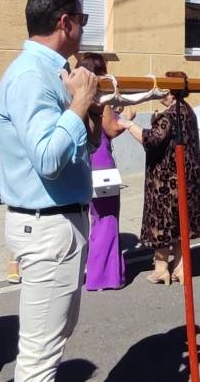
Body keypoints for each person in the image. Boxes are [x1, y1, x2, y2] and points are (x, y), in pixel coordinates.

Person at [0, 0, 98, 382]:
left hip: (58, 221)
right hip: (47, 225)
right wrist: (79, 103)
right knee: (40, 357)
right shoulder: (31, 75)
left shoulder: (53, 70)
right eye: (82, 20)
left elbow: (74, 145)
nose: (83, 29)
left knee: (54, 339)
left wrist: (86, 111)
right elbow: (49, 159)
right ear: (65, 22)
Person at [119, 72, 200, 285]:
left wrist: (129, 124)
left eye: (164, 88)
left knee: (162, 224)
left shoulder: (170, 114)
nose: (160, 92)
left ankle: (160, 270)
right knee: (179, 225)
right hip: (188, 179)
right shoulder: (187, 110)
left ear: (172, 92)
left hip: (167, 180)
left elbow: (152, 139)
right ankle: (181, 268)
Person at [77, 52, 134, 291]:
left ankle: (89, 270)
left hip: (81, 161)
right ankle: (104, 276)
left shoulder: (75, 95)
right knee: (106, 218)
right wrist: (127, 117)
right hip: (101, 160)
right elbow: (110, 129)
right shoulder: (102, 96)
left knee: (89, 218)